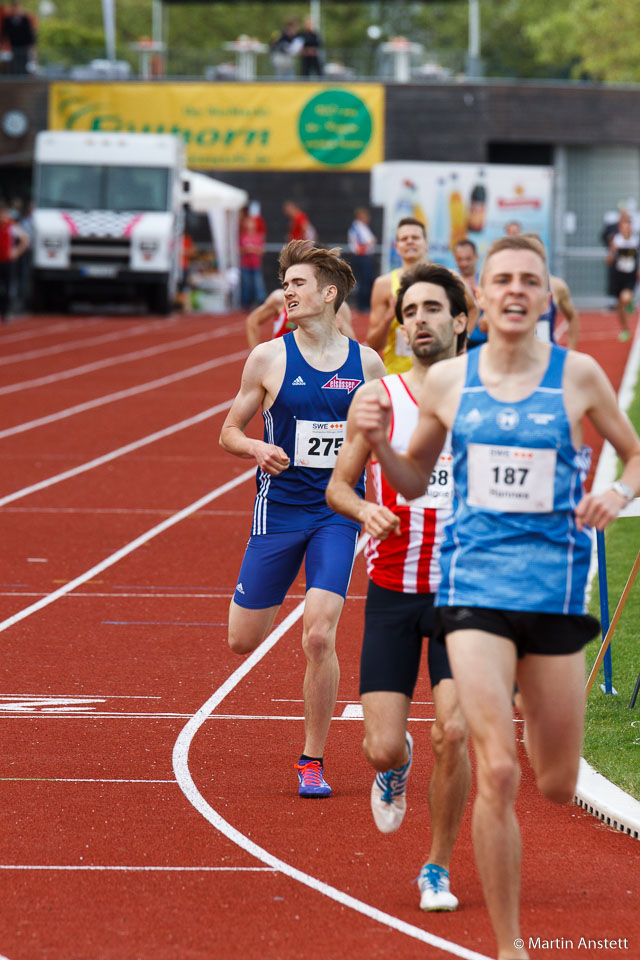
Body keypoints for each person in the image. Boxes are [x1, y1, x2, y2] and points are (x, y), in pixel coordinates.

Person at [354, 234, 640, 960]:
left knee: (553, 780)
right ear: (482, 296)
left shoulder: (578, 376)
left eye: (530, 280)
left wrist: (616, 489)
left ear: (545, 296)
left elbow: (635, 454)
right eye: (502, 278)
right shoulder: (452, 384)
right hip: (472, 589)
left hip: (551, 594)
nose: (516, 289)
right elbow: (414, 479)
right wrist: (381, 445)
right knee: (495, 765)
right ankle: (509, 946)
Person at [326, 262, 471, 912]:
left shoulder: (491, 400)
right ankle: (398, 765)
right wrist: (365, 511)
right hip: (393, 588)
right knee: (383, 745)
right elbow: (337, 486)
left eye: (431, 309)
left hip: (466, 595)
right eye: (408, 311)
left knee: (456, 733)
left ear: (461, 320)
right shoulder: (380, 401)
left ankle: (437, 865)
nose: (418, 321)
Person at [220, 240, 385, 798]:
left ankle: (312, 759)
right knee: (242, 641)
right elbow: (229, 430)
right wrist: (255, 450)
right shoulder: (268, 358)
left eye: (297, 283)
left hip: (336, 513)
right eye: (285, 283)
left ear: (329, 293)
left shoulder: (366, 363)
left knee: (319, 635)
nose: (286, 292)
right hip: (279, 510)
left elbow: (384, 438)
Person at [367, 217, 477, 373]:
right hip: (399, 374)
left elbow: (472, 309)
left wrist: (462, 342)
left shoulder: (447, 277)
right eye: (404, 239)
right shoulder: (383, 285)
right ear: (397, 246)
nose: (410, 241)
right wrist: (390, 315)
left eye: (415, 237)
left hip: (440, 371)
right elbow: (373, 343)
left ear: (425, 243)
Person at [245, 286, 355, 350]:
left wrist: (341, 328)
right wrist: (254, 356)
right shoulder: (281, 299)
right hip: (281, 362)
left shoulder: (338, 307)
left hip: (315, 365)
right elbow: (252, 320)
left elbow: (355, 346)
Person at [605, 211, 639, 342]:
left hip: (629, 278)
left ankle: (629, 301)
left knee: (625, 298)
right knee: (619, 307)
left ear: (631, 226)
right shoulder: (616, 241)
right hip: (617, 277)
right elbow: (608, 261)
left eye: (628, 224)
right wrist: (612, 251)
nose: (626, 227)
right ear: (620, 226)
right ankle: (625, 330)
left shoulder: (636, 242)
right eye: (623, 224)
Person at [0, 201, 30, 323]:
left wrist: (16, 252)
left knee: (7, 287)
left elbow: (26, 239)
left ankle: (5, 312)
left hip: (8, 261)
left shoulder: (12, 226)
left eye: (4, 214)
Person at [347, 207, 377, 312]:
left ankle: (364, 304)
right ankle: (363, 305)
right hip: (362, 256)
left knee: (366, 281)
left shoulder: (359, 227)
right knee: (365, 281)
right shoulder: (358, 227)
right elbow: (367, 241)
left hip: (363, 256)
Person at [238, 206, 267, 309]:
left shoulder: (258, 236)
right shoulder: (242, 236)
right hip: (245, 263)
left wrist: (252, 249)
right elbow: (239, 249)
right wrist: (246, 250)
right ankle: (246, 302)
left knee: (258, 284)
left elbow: (261, 250)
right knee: (247, 285)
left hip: (255, 263)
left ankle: (260, 301)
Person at [0, 1, 36, 74]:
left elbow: (29, 33)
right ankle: (16, 77)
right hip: (14, 45)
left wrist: (31, 44)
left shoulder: (25, 19)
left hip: (24, 45)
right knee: (15, 62)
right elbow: (5, 32)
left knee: (24, 61)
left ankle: (23, 77)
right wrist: (2, 42)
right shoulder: (8, 20)